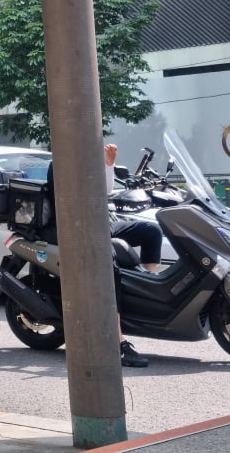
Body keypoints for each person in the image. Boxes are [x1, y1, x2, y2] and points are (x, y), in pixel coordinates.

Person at [105, 143, 163, 368]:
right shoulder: (62, 165)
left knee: (151, 231)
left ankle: (146, 289)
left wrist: (108, 165)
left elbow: (105, 190)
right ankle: (117, 342)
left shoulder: (87, 158)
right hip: (78, 227)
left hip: (100, 222)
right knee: (108, 266)